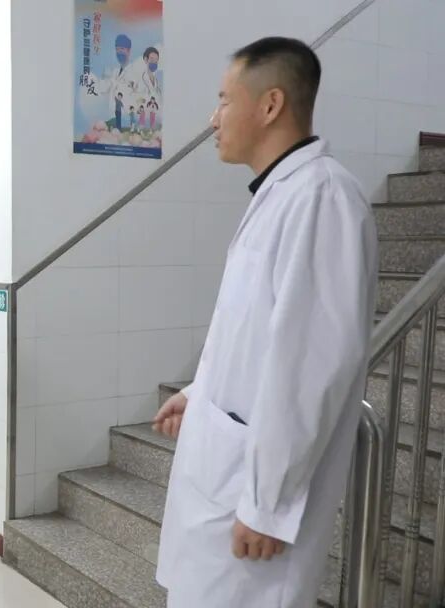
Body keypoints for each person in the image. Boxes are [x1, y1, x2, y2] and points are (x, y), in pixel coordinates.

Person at [152, 37, 377, 607]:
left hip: (253, 508)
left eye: (224, 100)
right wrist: (200, 394)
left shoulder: (323, 198)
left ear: (270, 104)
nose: (214, 118)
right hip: (224, 481)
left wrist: (267, 506)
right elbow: (252, 337)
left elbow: (313, 365)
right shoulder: (281, 195)